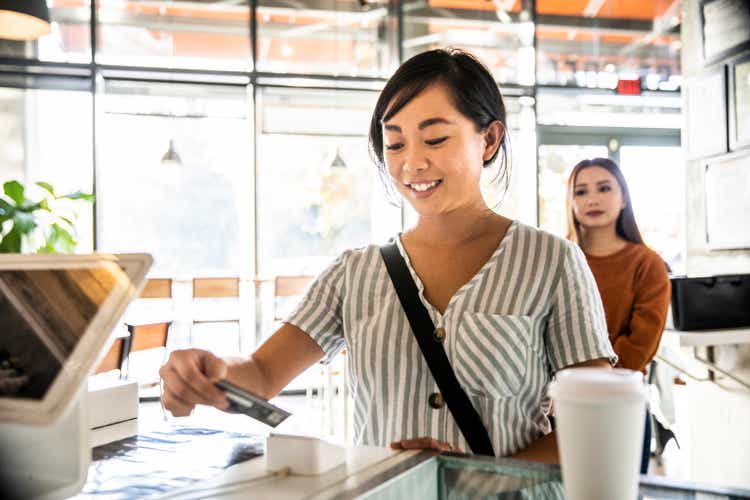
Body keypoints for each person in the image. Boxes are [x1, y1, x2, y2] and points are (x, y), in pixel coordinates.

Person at [159, 48, 616, 463]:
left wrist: (476, 476)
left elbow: (594, 427)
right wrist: (210, 373)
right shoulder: (354, 274)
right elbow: (261, 373)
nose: (412, 163)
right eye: (394, 144)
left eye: (435, 140)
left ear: (489, 140)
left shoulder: (551, 262)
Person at [565, 157, 671, 472]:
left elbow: (640, 347)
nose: (593, 199)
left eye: (604, 188)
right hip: (558, 410)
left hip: (619, 409)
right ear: (571, 203)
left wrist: (578, 375)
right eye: (581, 191)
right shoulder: (557, 258)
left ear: (624, 198)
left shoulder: (647, 264)